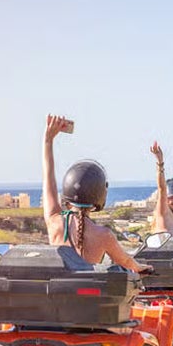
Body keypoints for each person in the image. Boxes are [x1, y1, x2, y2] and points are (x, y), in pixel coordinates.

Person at [39, 115, 146, 271]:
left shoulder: (54, 221)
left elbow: (48, 177)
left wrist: (48, 140)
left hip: (58, 292)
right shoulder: (104, 235)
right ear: (100, 194)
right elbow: (127, 262)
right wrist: (143, 268)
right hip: (88, 294)